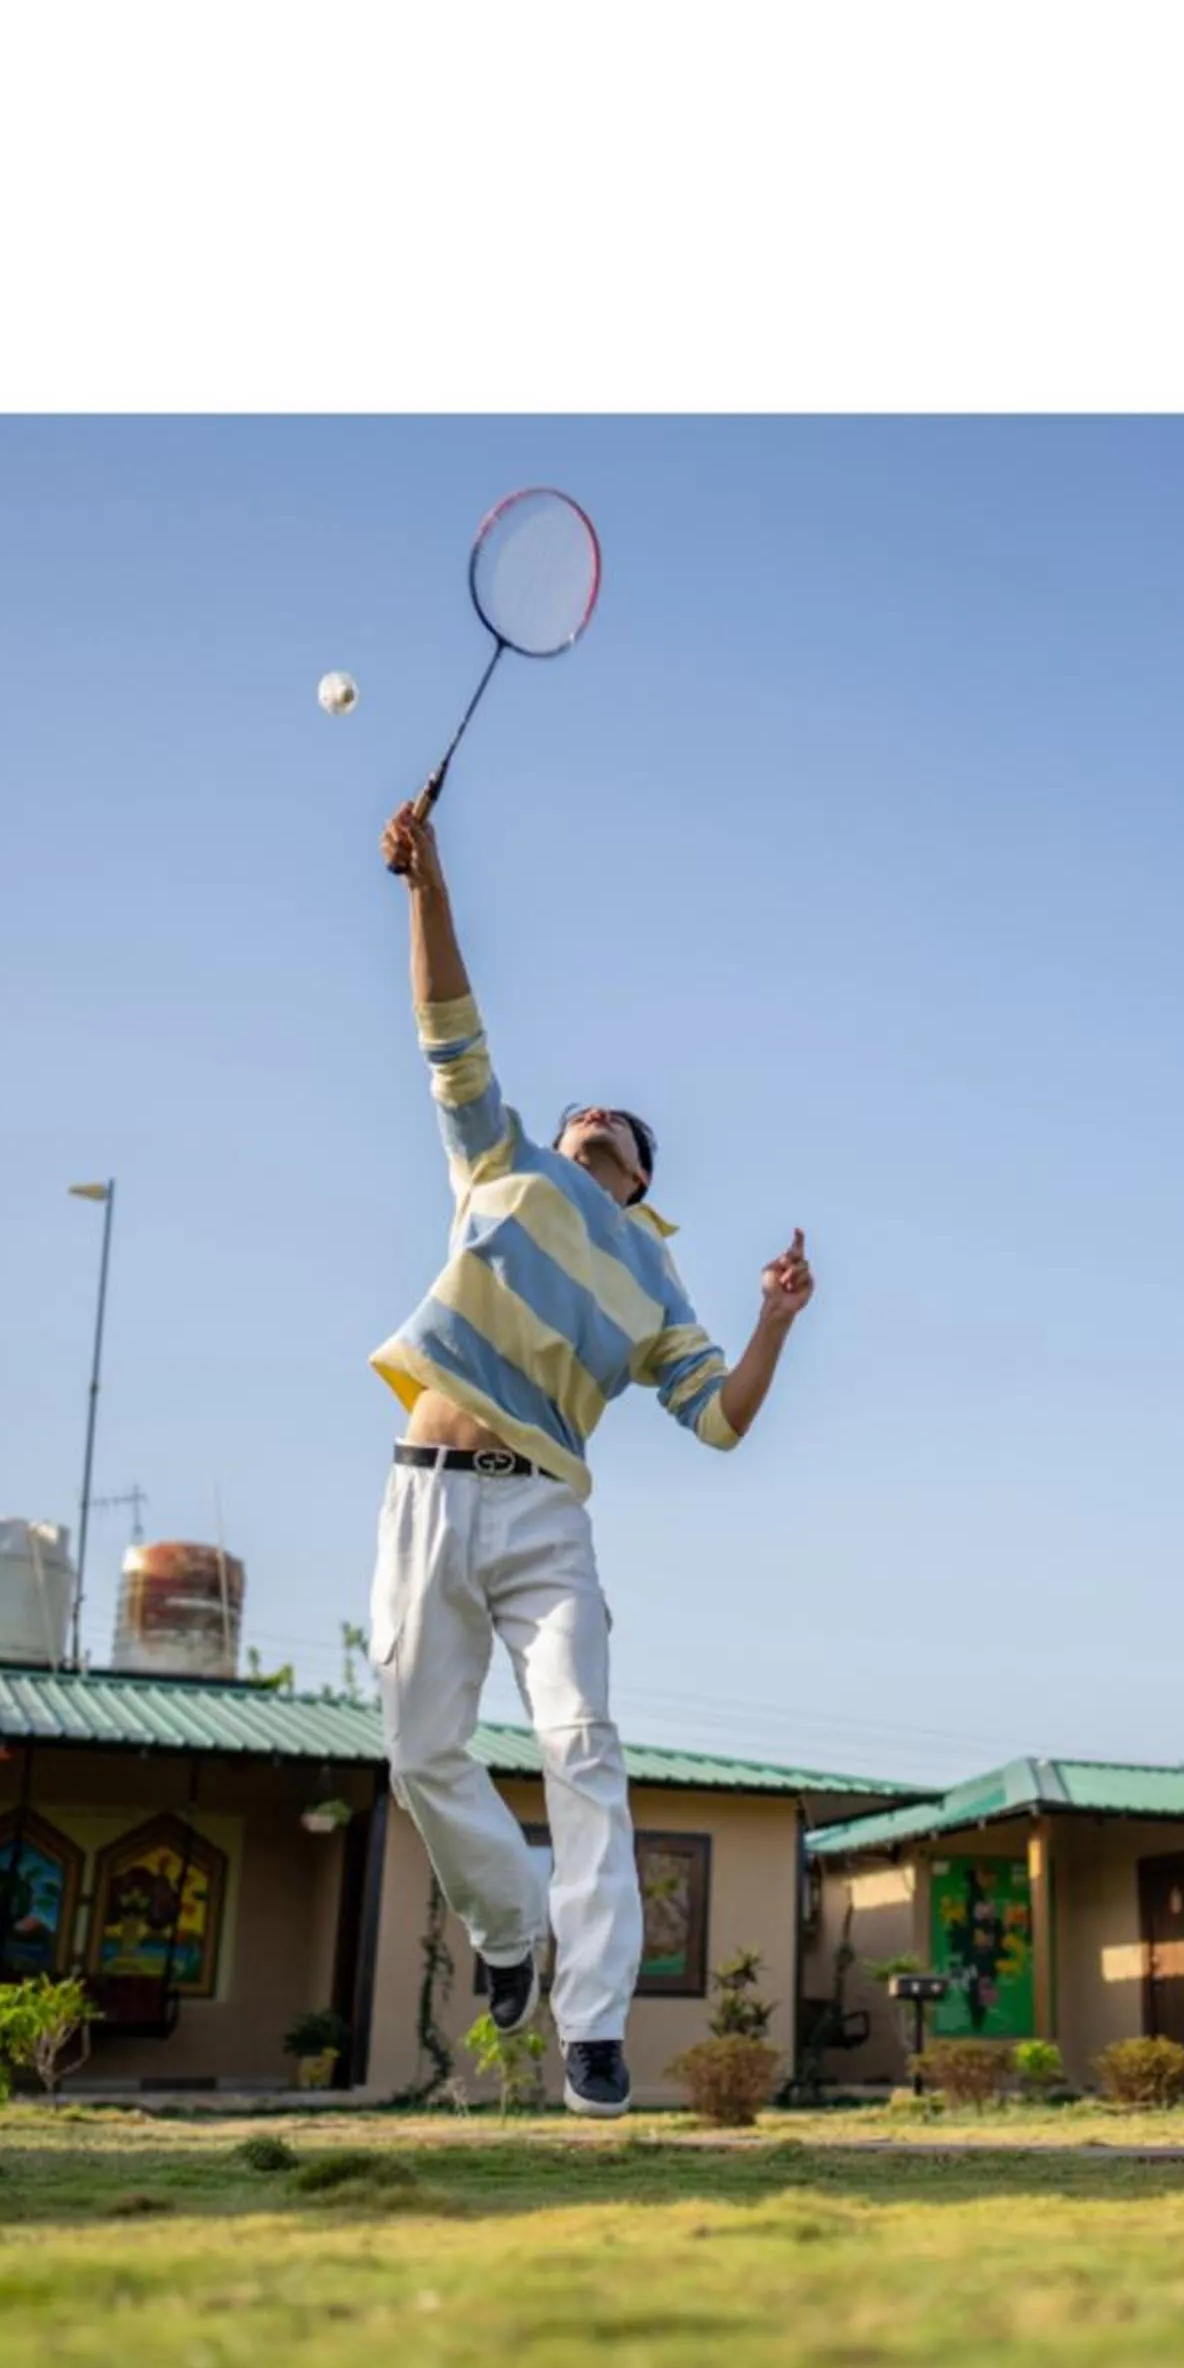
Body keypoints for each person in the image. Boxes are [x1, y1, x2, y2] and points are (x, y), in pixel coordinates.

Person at [368, 801, 816, 2118]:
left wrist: (775, 1323)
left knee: (584, 1746)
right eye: (582, 1116)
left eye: (614, 1129)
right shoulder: (498, 1161)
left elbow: (719, 1421)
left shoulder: (657, 1278)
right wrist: (425, 882)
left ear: (637, 1178)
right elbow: (448, 1022)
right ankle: (509, 1928)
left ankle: (593, 2026)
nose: (594, 1120)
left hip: (547, 1519)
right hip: (422, 1493)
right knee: (418, 1754)